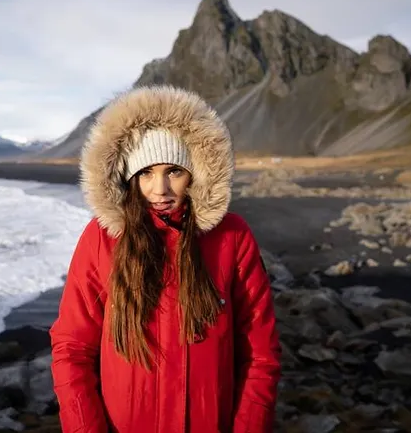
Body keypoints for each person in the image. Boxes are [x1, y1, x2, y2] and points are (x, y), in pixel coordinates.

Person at [49, 85, 281, 433]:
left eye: (173, 171)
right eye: (145, 173)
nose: (160, 189)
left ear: (195, 173)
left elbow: (260, 355)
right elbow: (72, 349)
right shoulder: (101, 240)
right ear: (129, 178)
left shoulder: (232, 237)